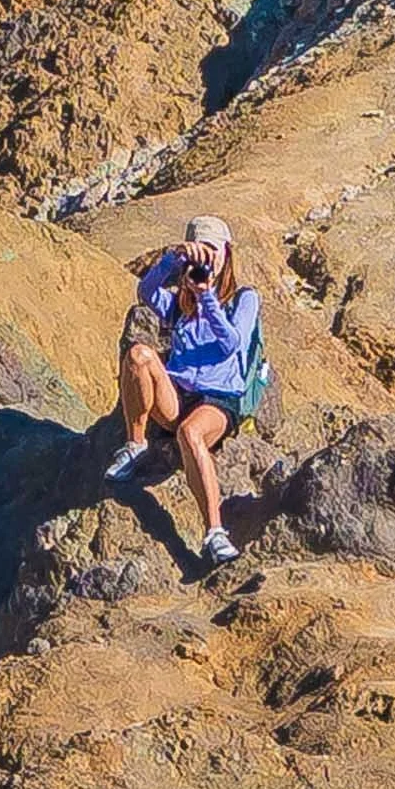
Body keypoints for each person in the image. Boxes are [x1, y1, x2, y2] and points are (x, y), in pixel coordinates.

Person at [104, 214, 261, 569]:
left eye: (212, 250)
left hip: (217, 399)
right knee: (139, 355)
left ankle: (215, 532)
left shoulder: (243, 299)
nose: (206, 258)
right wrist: (173, 261)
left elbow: (232, 344)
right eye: (199, 250)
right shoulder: (180, 304)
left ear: (226, 253)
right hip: (178, 393)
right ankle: (135, 445)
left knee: (191, 433)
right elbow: (146, 293)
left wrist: (207, 297)